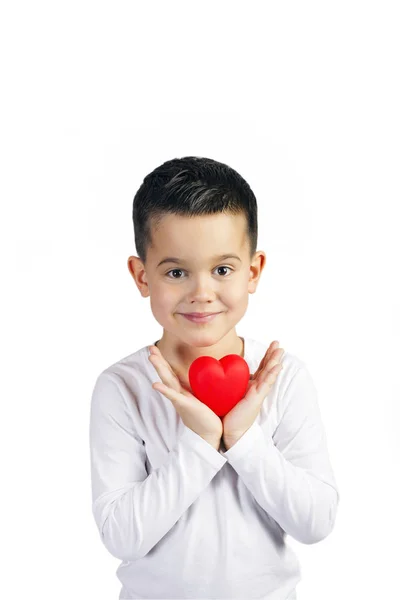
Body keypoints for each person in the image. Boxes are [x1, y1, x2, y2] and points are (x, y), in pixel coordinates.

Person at [89, 156, 340, 600]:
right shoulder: (122, 387)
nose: (201, 292)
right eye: (176, 271)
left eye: (222, 269)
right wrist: (202, 440)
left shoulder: (282, 377)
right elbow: (122, 536)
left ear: (253, 271)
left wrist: (242, 437)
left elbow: (315, 522)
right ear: (141, 275)